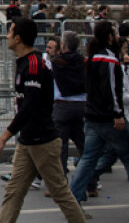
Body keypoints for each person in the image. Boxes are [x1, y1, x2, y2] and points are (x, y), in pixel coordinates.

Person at [0, 17, 85, 223]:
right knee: (13, 192)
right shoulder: (23, 63)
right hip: (27, 140)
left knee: (60, 193)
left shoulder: (34, 65)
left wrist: (3, 137)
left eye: (10, 32)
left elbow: (29, 107)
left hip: (43, 142)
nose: (7, 37)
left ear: (19, 38)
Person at [67, 21, 129, 218]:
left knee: (88, 159)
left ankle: (72, 202)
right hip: (109, 118)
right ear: (110, 37)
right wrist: (117, 114)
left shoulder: (92, 58)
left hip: (92, 116)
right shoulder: (110, 61)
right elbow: (112, 91)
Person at [51, 32, 87, 176]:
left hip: (63, 105)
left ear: (63, 45)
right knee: (82, 143)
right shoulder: (83, 61)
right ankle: (91, 182)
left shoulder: (58, 62)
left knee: (61, 146)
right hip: (82, 105)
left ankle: (61, 181)